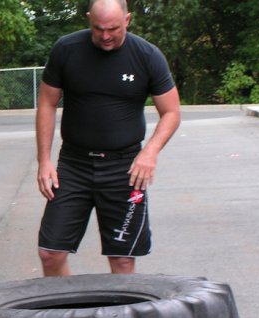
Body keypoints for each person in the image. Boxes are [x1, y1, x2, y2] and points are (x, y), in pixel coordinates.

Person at [35, 0, 181, 276]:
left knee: (122, 259)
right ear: (89, 19)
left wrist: (149, 152)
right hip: (73, 165)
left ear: (127, 20)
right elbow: (47, 103)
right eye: (98, 28)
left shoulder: (147, 56)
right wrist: (44, 161)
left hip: (124, 169)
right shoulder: (66, 50)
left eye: (113, 28)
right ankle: (67, 316)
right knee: (50, 253)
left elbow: (172, 112)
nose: (105, 36)